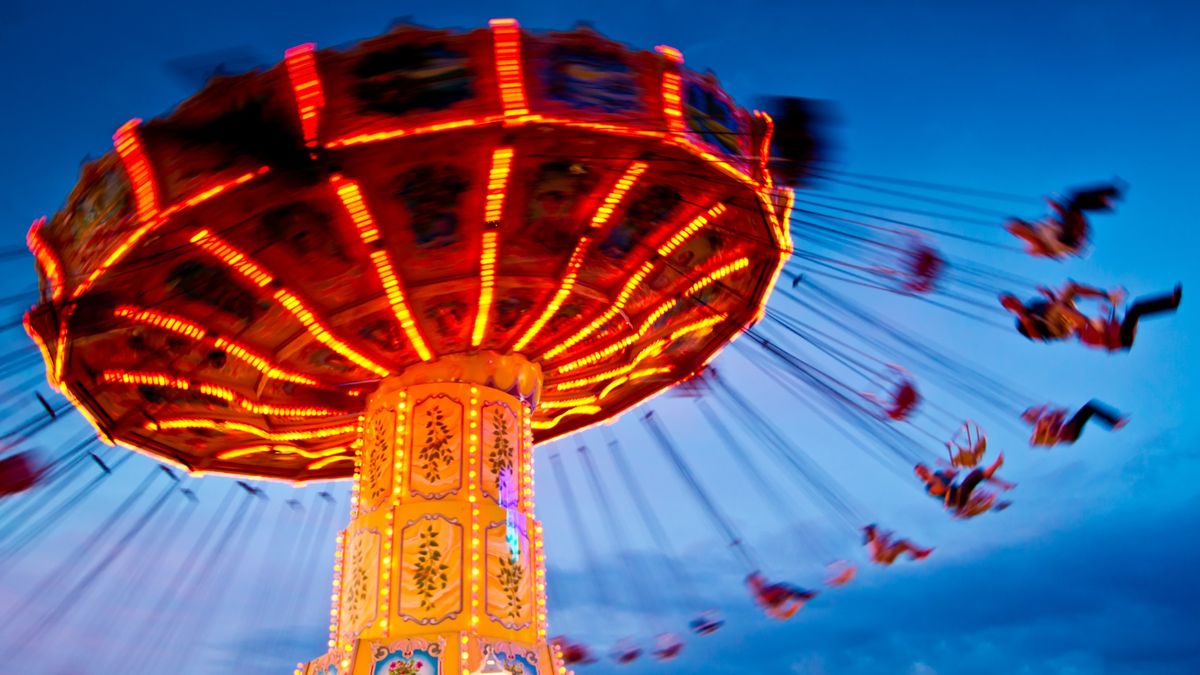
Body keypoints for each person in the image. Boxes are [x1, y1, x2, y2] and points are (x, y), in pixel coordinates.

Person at [1001, 281, 1182, 351]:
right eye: (1010, 304)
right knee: (1062, 310)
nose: (1014, 303)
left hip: (1065, 316)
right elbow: (1038, 337)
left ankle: (1107, 294)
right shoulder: (1021, 322)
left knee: (1070, 287)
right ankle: (1082, 320)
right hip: (1055, 329)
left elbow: (1053, 303)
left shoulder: (1033, 303)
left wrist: (1050, 295)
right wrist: (1025, 317)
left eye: (1013, 300)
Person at [1005, 182, 1122, 259]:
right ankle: (1107, 200)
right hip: (1067, 239)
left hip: (1070, 235)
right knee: (1074, 203)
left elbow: (1060, 219)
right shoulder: (1031, 240)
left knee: (1075, 199)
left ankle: (1109, 196)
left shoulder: (1039, 224)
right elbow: (1039, 248)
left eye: (1022, 222)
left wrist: (1056, 206)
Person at [915, 454, 1015, 519]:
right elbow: (943, 489)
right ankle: (992, 501)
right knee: (974, 486)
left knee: (977, 473)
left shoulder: (937, 474)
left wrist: (946, 465)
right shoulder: (928, 487)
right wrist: (931, 477)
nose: (923, 471)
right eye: (920, 472)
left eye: (923, 469)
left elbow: (953, 473)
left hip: (960, 491)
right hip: (954, 500)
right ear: (920, 476)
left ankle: (1003, 485)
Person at [1022, 400, 1127, 447]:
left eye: (1033, 410)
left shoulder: (1046, 417)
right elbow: (1036, 441)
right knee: (1089, 408)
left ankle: (1114, 421)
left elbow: (1064, 411)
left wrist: (1050, 409)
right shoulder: (1039, 427)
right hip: (1069, 433)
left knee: (1089, 408)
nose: (1035, 411)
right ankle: (1113, 423)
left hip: (1071, 428)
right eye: (1032, 412)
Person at [746, 572, 817, 620]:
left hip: (768, 597)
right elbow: (784, 616)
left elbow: (783, 616)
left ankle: (804, 595)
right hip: (769, 596)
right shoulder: (771, 606)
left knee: (785, 589)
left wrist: (796, 606)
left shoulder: (769, 606)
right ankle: (804, 595)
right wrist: (796, 606)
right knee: (786, 589)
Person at [862, 524, 933, 565]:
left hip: (884, 557)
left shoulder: (874, 539)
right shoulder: (874, 539)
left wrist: (886, 537)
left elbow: (880, 544)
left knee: (903, 544)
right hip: (883, 557)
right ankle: (918, 554)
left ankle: (918, 554)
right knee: (903, 544)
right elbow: (879, 544)